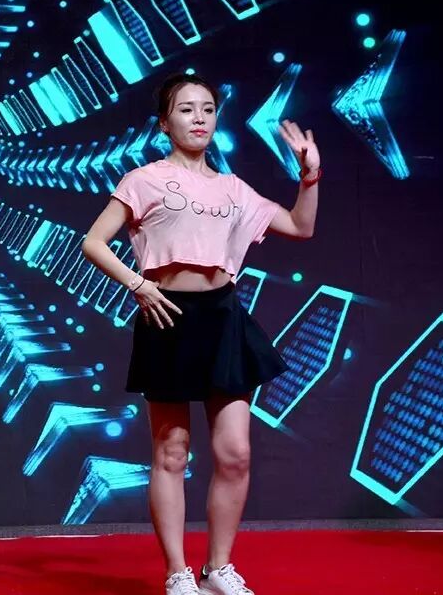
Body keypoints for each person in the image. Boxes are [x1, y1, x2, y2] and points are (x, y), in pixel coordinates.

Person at [81, 74, 319, 595]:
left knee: (236, 453)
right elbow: (93, 242)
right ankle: (177, 572)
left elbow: (301, 227)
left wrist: (309, 177)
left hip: (223, 317)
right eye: (186, 109)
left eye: (208, 109)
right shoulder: (143, 180)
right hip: (167, 316)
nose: (199, 118)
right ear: (164, 123)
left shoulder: (233, 188)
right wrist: (138, 285)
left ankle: (218, 570)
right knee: (172, 452)